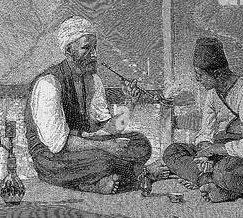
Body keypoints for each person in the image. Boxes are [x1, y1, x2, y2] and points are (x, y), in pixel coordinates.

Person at [23, 16, 152, 193]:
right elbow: (59, 144)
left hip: (84, 149)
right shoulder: (49, 84)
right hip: (52, 159)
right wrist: (107, 146)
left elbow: (107, 129)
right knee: (104, 160)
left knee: (141, 143)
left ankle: (93, 182)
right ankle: (135, 175)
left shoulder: (93, 80)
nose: (94, 55)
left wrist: (129, 103)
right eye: (86, 48)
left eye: (95, 48)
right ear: (69, 51)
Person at [160, 37, 243, 202]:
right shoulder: (213, 94)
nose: (197, 79)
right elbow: (206, 131)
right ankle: (209, 181)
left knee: (224, 170)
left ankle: (214, 183)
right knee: (172, 152)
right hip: (222, 153)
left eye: (200, 75)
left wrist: (215, 150)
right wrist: (204, 154)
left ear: (217, 73)